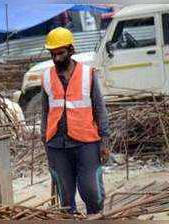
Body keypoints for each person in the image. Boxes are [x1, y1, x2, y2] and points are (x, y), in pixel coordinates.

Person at [40, 27, 111, 214]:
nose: (56, 59)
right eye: (52, 54)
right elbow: (44, 112)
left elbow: (100, 109)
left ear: (71, 51)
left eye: (60, 54)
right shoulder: (47, 77)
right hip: (56, 144)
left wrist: (105, 141)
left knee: (91, 192)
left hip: (86, 142)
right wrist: (44, 140)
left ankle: (95, 216)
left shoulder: (88, 74)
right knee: (65, 197)